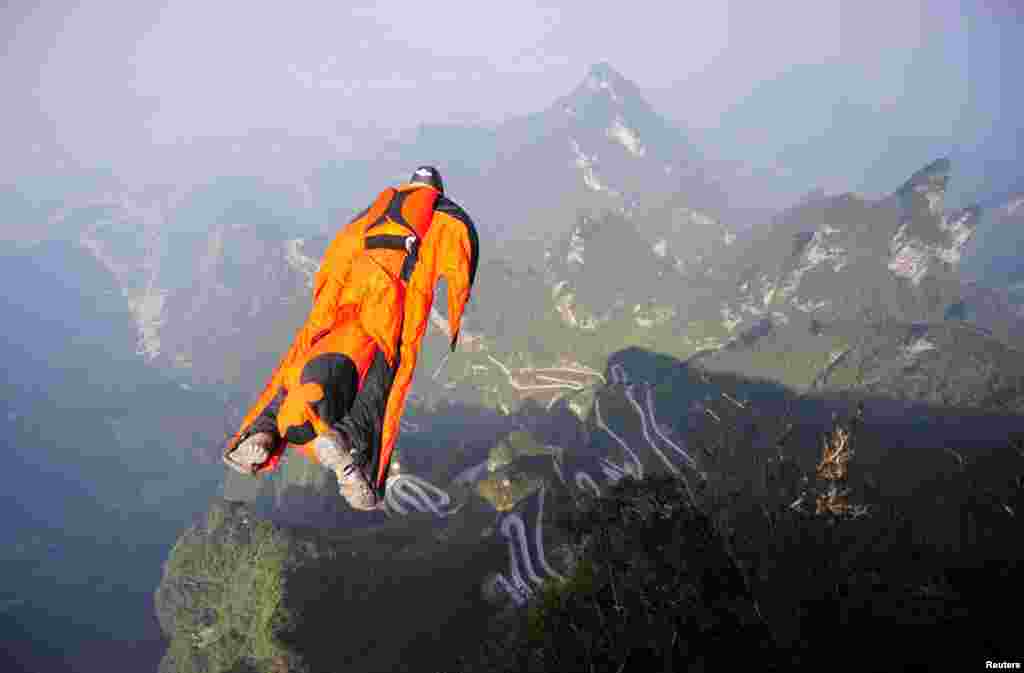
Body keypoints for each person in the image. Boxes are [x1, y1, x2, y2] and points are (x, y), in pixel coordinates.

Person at [223, 166, 479, 511]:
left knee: (305, 362)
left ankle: (264, 431)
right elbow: (464, 258)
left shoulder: (376, 209)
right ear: (437, 190)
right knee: (382, 382)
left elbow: (335, 256)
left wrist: (323, 307)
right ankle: (349, 444)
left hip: (343, 302)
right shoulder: (444, 215)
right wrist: (456, 316)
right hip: (390, 303)